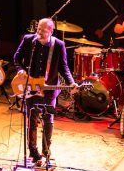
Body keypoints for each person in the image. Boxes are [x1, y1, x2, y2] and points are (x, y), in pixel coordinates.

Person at [14, 18, 77, 162]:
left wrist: (71, 82)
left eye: (43, 30)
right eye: (38, 29)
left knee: (48, 121)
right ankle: (33, 152)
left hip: (49, 90)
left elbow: (64, 67)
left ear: (51, 31)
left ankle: (46, 151)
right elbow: (16, 58)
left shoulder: (59, 45)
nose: (40, 32)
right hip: (30, 87)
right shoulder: (29, 40)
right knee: (32, 120)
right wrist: (20, 70)